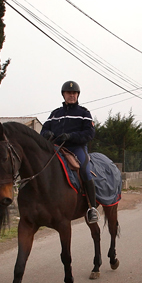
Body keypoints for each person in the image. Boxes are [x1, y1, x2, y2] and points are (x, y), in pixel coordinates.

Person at [41, 81, 99, 224]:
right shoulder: (55, 114)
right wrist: (47, 133)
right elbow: (43, 130)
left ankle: (92, 208)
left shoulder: (84, 113)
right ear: (64, 95)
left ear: (77, 95)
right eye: (69, 93)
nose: (71, 95)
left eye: (74, 93)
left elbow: (89, 133)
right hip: (56, 148)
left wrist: (72, 136)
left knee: (85, 170)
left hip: (76, 148)